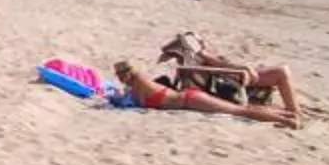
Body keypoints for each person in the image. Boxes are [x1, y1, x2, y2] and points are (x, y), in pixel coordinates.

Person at [114, 57, 299, 126]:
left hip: (191, 100)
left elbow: (127, 99)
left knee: (241, 111)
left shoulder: (140, 86)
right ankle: (286, 114)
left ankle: (287, 119)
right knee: (243, 109)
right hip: (190, 97)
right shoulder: (140, 87)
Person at [160, 32, 307, 116]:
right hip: (228, 80)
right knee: (282, 71)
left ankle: (292, 111)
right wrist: (242, 67)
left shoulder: (195, 60)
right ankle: (295, 113)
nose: (204, 43)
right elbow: (218, 64)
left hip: (225, 78)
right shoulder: (202, 56)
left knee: (280, 71)